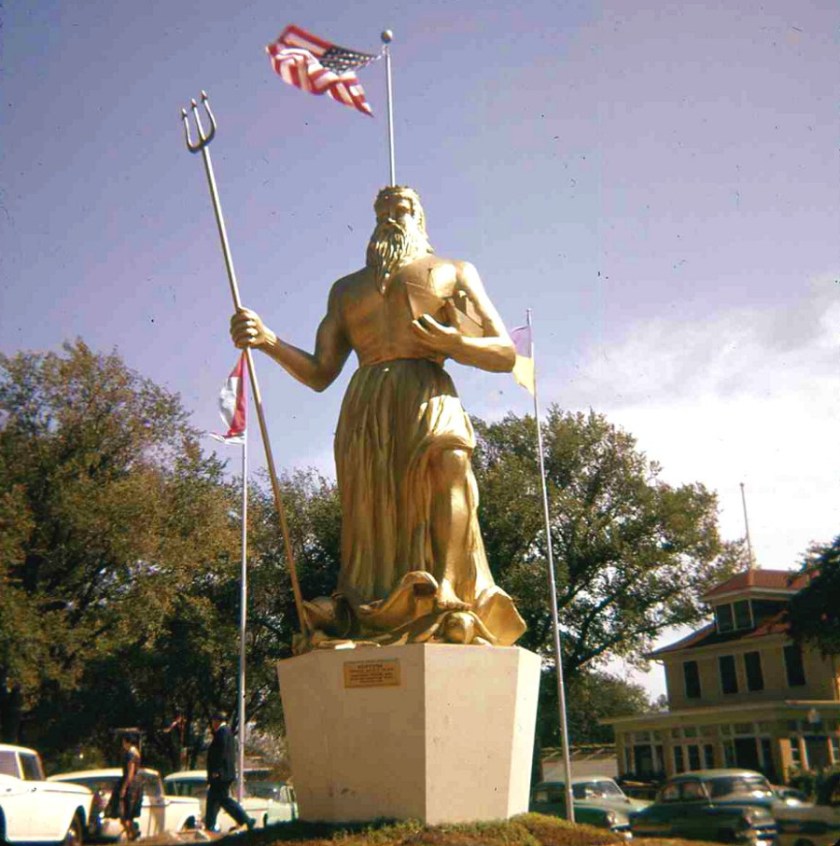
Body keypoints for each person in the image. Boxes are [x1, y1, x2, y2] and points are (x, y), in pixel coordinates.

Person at [230, 185, 526, 647]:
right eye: (381, 211)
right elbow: (320, 372)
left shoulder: (453, 271)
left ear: (419, 217)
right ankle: (374, 601)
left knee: (451, 463)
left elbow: (505, 353)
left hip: (427, 387)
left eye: (401, 209)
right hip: (368, 403)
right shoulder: (347, 290)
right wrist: (268, 340)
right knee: (375, 506)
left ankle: (449, 587)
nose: (390, 218)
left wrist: (456, 344)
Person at [205, 712, 254, 833]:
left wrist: (216, 770)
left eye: (213, 721)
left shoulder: (222, 733)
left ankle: (246, 820)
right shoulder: (227, 732)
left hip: (221, 774)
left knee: (222, 800)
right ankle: (209, 825)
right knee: (214, 800)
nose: (212, 723)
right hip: (225, 774)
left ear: (217, 720)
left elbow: (220, 754)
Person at [116, 732, 143, 841]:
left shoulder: (130, 754)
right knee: (128, 816)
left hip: (131, 786)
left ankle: (132, 835)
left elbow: (130, 772)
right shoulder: (136, 752)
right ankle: (132, 835)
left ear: (126, 742)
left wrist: (124, 788)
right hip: (136, 784)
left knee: (125, 815)